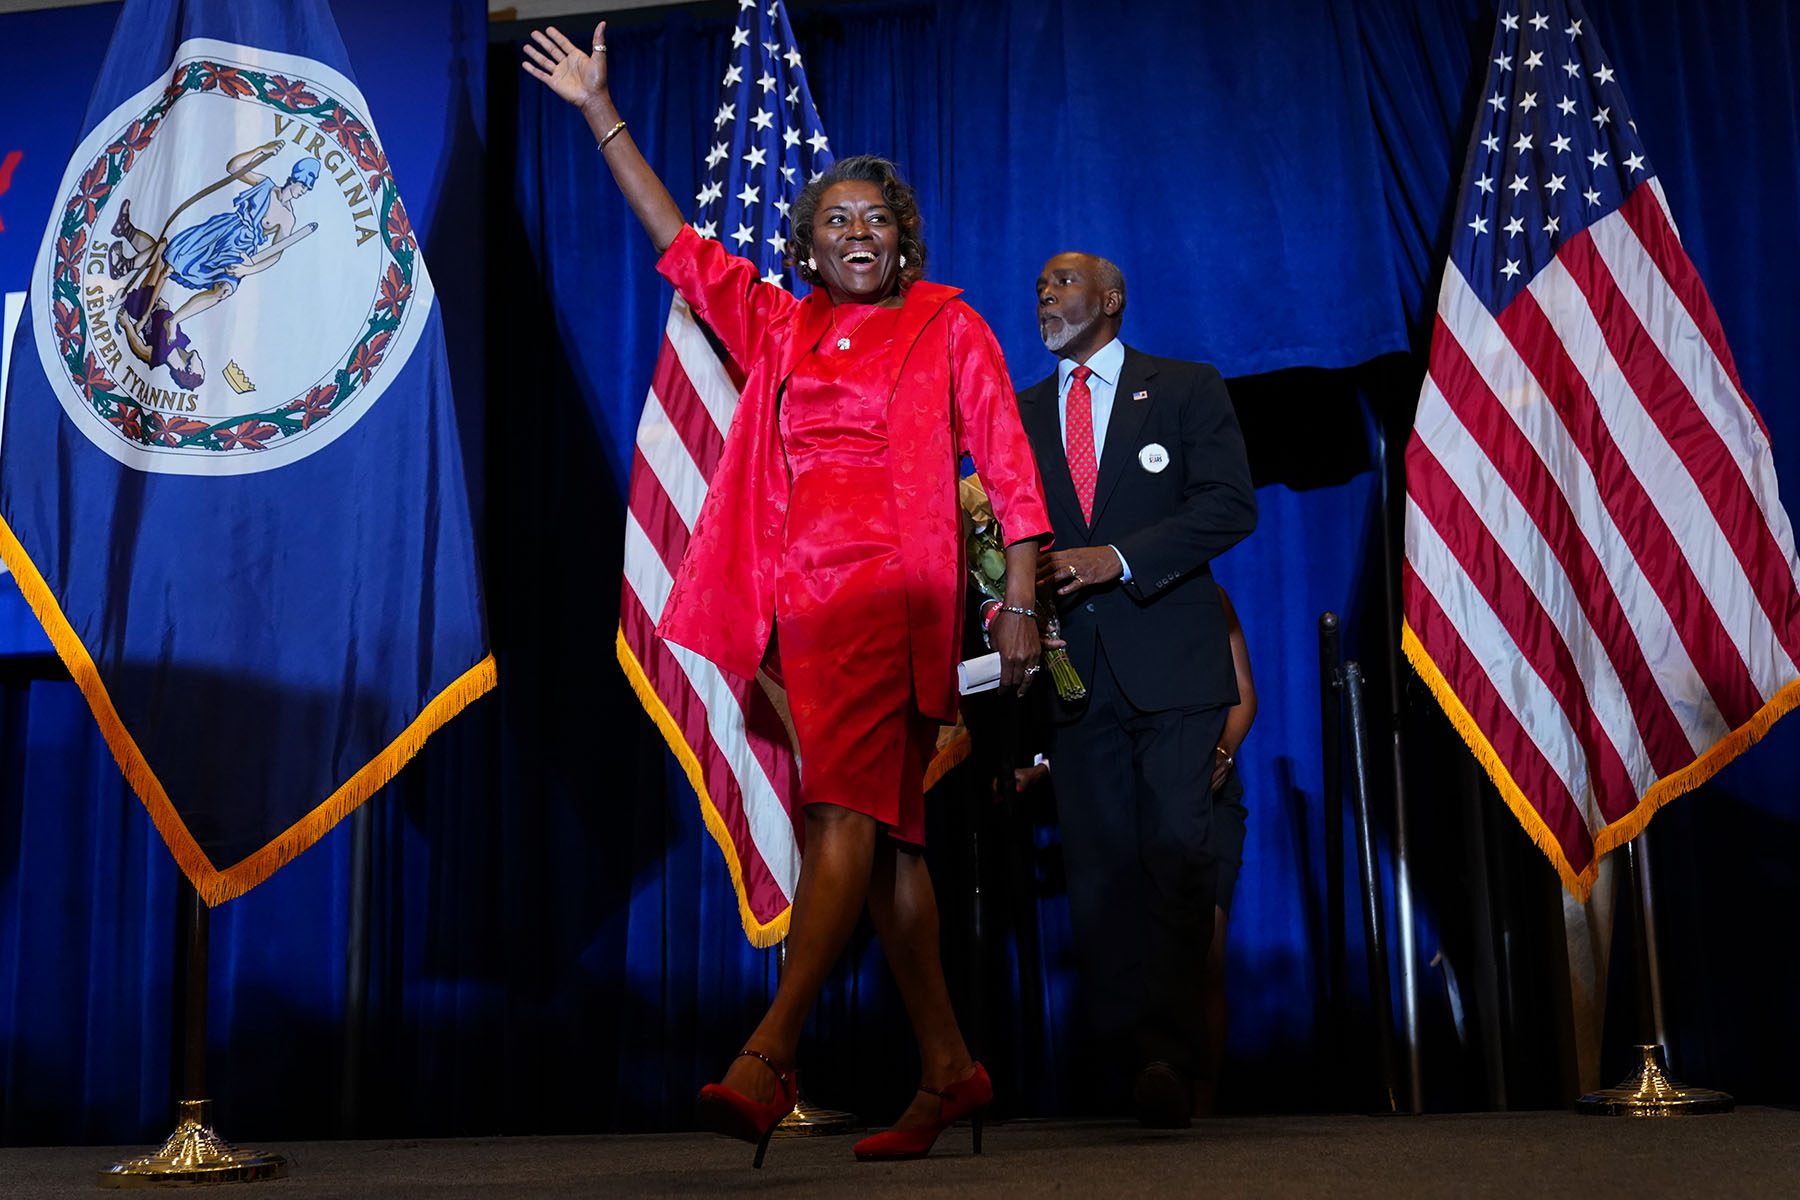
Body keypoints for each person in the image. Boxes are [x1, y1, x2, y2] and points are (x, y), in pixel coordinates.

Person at [522, 23, 1051, 1168]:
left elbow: (1010, 470)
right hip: (804, 619)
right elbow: (677, 241)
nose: (858, 234)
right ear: (808, 247)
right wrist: (597, 112)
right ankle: (952, 1070)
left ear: (904, 244)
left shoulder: (949, 326)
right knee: (894, 848)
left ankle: (767, 1053)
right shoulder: (778, 324)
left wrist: (1019, 601)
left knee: (845, 821)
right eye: (836, 222)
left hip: (898, 604)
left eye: (877, 221)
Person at [1018, 251, 1256, 1127]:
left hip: (1176, 667)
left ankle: (1168, 1051)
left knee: (1175, 854)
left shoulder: (1187, 387)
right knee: (1102, 870)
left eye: (1066, 281)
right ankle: (1132, 1065)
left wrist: (1112, 559)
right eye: (1039, 283)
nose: (1047, 292)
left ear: (1111, 299)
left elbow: (1232, 505)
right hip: (1071, 677)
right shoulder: (1020, 412)